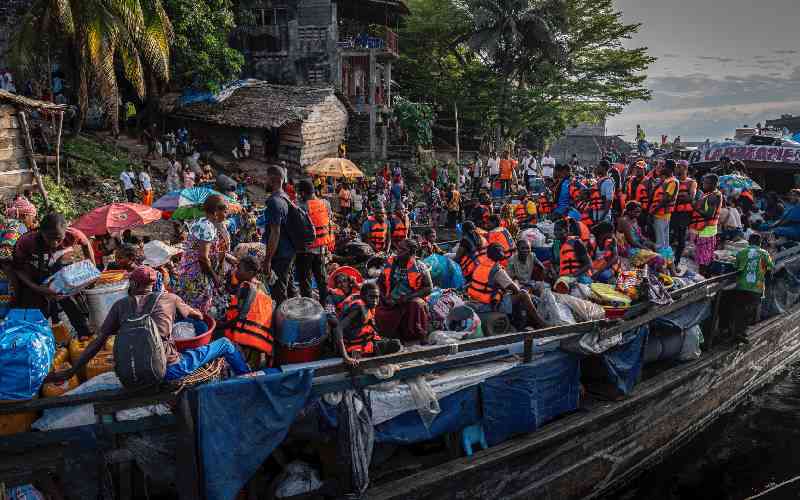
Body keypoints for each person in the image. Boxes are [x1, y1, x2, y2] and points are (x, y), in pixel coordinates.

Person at [46, 266, 250, 384]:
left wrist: (71, 371)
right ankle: (249, 379)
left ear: (133, 285)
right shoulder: (170, 299)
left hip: (130, 374)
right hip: (168, 370)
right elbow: (197, 316)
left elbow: (97, 342)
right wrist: (188, 314)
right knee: (225, 344)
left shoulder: (120, 305)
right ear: (154, 284)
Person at [13, 212, 95, 339]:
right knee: (36, 312)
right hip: (34, 277)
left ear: (65, 232)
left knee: (70, 302)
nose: (54, 243)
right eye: (50, 238)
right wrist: (37, 288)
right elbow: (18, 269)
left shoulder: (72, 234)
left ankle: (85, 335)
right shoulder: (27, 242)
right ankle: (37, 339)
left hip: (59, 274)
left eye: (58, 239)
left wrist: (92, 267)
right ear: (41, 232)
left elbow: (85, 243)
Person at [174, 195, 232, 315]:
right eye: (225, 211)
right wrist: (215, 278)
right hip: (197, 274)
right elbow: (203, 258)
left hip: (191, 271)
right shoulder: (207, 227)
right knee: (196, 310)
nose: (226, 215)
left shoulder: (203, 222)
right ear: (216, 212)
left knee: (188, 306)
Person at [466, 243, 544, 328]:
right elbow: (516, 290)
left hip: (476, 300)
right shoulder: (497, 271)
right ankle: (540, 321)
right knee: (523, 294)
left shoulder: (481, 265)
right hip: (488, 305)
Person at [221, 256, 275, 368]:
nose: (236, 271)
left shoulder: (245, 288)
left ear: (250, 273)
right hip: (260, 345)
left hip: (246, 344)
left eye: (239, 268)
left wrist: (218, 325)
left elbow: (239, 319)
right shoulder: (262, 287)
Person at [375, 239, 432, 342]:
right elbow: (379, 283)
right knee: (374, 304)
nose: (398, 251)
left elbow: (428, 288)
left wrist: (408, 297)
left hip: (409, 299)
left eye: (402, 249)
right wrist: (384, 297)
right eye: (398, 248)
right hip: (390, 300)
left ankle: (415, 336)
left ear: (410, 252)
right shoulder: (389, 263)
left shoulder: (420, 266)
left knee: (416, 304)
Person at [336, 282, 402, 366]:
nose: (375, 301)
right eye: (371, 297)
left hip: (365, 342)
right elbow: (338, 328)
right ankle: (360, 353)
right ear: (363, 296)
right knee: (396, 344)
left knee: (394, 341)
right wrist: (345, 357)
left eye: (377, 297)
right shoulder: (358, 309)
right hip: (354, 347)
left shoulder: (368, 306)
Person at [262, 166, 297, 306]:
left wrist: (267, 260)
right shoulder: (285, 197)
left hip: (281, 255)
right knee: (289, 288)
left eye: (266, 178)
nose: (264, 181)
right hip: (289, 252)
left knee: (278, 292)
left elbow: (275, 232)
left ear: (273, 180)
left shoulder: (274, 202)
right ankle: (297, 313)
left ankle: (282, 317)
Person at [296, 180, 332, 306]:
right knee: (321, 278)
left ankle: (309, 307)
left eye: (299, 193)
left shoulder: (301, 207)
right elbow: (328, 220)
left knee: (305, 280)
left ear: (303, 193)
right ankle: (324, 304)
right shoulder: (325, 203)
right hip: (321, 248)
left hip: (306, 250)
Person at [731, 234, 773, 339]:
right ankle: (742, 331)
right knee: (749, 310)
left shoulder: (741, 252)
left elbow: (735, 267)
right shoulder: (765, 254)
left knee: (739, 309)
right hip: (756, 288)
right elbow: (770, 268)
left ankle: (737, 332)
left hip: (742, 286)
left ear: (749, 242)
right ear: (760, 243)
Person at [690, 174, 723, 275]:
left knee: (703, 258)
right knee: (705, 256)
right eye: (704, 182)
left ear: (713, 184)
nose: (703, 184)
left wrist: (695, 207)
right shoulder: (709, 194)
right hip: (705, 230)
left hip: (707, 231)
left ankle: (702, 277)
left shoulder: (714, 196)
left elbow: (709, 215)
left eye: (706, 183)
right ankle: (705, 275)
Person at [618, 201, 664, 271]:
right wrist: (645, 248)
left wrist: (649, 243)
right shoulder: (624, 221)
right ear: (629, 211)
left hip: (637, 245)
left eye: (639, 212)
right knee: (658, 257)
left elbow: (639, 236)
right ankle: (661, 274)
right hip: (629, 249)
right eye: (636, 212)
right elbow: (631, 242)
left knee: (662, 250)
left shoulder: (634, 219)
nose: (638, 214)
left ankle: (669, 273)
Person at [671, 160, 697, 267]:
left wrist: (675, 198)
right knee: (670, 237)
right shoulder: (673, 180)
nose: (677, 169)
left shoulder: (691, 182)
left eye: (679, 167)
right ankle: (667, 260)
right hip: (673, 212)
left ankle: (676, 262)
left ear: (685, 168)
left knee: (681, 239)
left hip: (684, 214)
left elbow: (690, 197)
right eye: (677, 167)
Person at [552, 218, 593, 284]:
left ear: (566, 230)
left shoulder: (575, 242)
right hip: (563, 279)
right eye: (555, 230)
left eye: (559, 230)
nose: (556, 232)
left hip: (579, 278)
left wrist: (572, 275)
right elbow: (554, 262)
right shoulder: (555, 245)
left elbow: (588, 265)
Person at [650, 160, 679, 249]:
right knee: (664, 240)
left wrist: (653, 211)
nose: (662, 168)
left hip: (661, 214)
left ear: (668, 168)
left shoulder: (672, 181)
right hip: (661, 214)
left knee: (660, 241)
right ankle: (666, 256)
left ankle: (662, 256)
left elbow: (666, 199)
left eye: (664, 166)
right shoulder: (666, 180)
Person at [587, 161, 615, 225]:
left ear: (604, 168)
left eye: (599, 166)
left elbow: (609, 201)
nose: (597, 168)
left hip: (603, 216)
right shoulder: (598, 181)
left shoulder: (608, 182)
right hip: (595, 215)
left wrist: (602, 217)